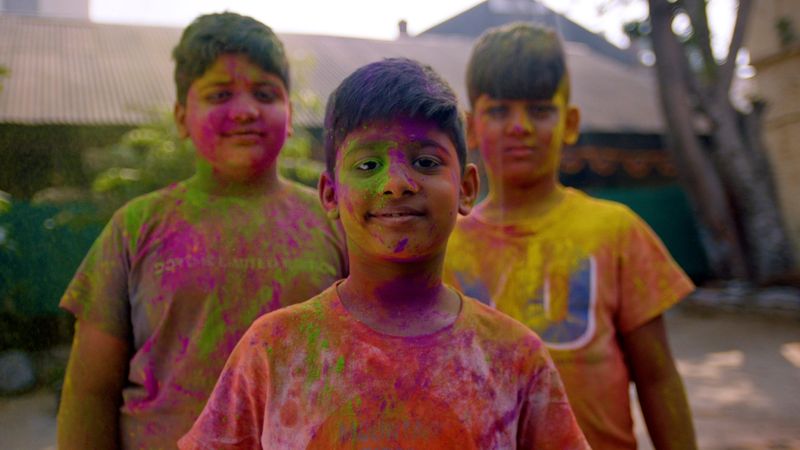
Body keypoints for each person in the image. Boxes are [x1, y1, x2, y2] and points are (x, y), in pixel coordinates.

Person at [179, 58, 589, 449]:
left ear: (466, 188)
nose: (396, 182)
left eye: (426, 161)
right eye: (367, 165)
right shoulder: (273, 349)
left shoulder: (514, 355)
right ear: (330, 193)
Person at [57, 12, 346, 449]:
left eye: (265, 94)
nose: (246, 111)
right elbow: (89, 392)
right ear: (180, 117)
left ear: (289, 113)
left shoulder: (334, 222)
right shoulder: (136, 228)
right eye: (220, 94)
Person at [444, 22, 697, 450]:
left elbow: (657, 378)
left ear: (571, 122)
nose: (520, 126)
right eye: (499, 111)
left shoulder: (615, 231)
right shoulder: (443, 247)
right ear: (470, 128)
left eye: (540, 110)